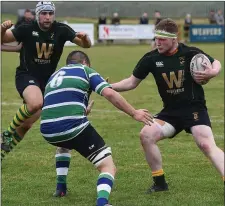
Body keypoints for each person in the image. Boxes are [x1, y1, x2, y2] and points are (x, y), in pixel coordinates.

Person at [111, 18, 224, 192]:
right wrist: (108, 87)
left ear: (174, 38)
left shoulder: (190, 52)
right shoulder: (151, 58)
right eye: (156, 38)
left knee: (206, 144)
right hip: (170, 113)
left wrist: (213, 71)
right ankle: (160, 183)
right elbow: (131, 82)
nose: (158, 42)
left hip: (194, 108)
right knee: (146, 134)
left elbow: (216, 62)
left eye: (162, 39)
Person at [40, 50, 153, 206]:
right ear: (85, 63)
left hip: (47, 130)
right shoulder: (85, 71)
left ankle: (60, 188)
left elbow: (57, 103)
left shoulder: (55, 75)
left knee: (63, 144)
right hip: (71, 126)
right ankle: (102, 202)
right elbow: (110, 93)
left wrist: (82, 111)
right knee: (107, 166)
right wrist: (134, 113)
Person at [1, 1, 91, 158]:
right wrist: (2, 29)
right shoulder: (27, 28)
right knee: (36, 103)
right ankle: (7, 133)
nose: (47, 17)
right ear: (38, 15)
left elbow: (86, 46)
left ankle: (1, 155)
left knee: (26, 125)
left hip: (47, 83)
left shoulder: (61, 30)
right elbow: (4, 39)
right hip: (26, 75)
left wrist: (85, 39)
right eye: (44, 13)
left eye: (50, 13)